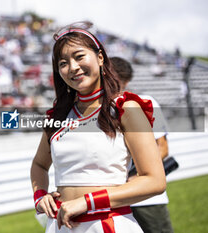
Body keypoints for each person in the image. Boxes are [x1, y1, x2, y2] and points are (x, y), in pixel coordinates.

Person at [30, 21, 166, 233]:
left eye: (79, 56)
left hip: (108, 224)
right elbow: (39, 164)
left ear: (100, 58)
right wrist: (39, 196)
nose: (72, 67)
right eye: (63, 63)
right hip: (60, 227)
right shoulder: (57, 117)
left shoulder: (125, 108)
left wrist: (87, 201)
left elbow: (154, 180)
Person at [110, 56, 174, 233]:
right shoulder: (99, 108)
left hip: (146, 198)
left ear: (126, 81)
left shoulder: (145, 102)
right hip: (115, 200)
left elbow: (162, 148)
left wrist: (135, 175)